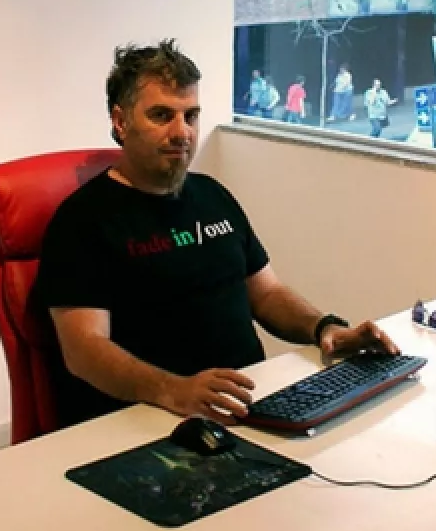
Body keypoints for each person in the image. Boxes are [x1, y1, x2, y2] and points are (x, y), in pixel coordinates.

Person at [33, 41, 398, 427]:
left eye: (190, 116)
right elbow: (84, 350)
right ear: (121, 122)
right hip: (153, 418)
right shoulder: (82, 221)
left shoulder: (213, 196)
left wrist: (325, 328)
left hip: (249, 404)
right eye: (162, 115)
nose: (182, 132)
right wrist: (174, 390)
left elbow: (267, 294)